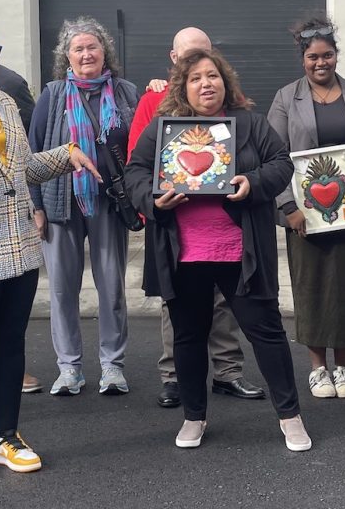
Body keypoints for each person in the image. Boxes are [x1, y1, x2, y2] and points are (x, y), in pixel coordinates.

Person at [125, 48, 311, 451]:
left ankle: (290, 416)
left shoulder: (250, 124)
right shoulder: (162, 128)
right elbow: (134, 172)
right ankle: (194, 417)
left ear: (225, 82)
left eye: (212, 76)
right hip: (184, 252)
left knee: (266, 333)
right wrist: (152, 199)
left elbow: (281, 162)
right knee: (188, 337)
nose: (205, 84)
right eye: (195, 78)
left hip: (239, 251)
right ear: (183, 87)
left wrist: (253, 182)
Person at [0, 21, 100, 479]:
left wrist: (67, 155)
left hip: (19, 245)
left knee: (8, 347)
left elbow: (22, 169)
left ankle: (4, 438)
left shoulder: (4, 103)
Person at [127, 27, 262, 408]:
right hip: (176, 223)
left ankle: (227, 372)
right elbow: (136, 162)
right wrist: (153, 205)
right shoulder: (153, 101)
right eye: (188, 58)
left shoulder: (230, 100)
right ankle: (174, 377)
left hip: (226, 223)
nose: (199, 68)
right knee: (178, 304)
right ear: (174, 60)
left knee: (225, 302)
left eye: (204, 56)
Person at [268, 15, 345, 399]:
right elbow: (274, 157)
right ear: (302, 58)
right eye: (313, 57)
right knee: (312, 287)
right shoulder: (287, 99)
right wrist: (288, 206)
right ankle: (318, 369)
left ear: (337, 55)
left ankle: (344, 368)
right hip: (306, 215)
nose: (322, 63)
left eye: (328, 55)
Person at [28, 17, 138, 396]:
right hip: (60, 203)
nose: (87, 53)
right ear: (67, 56)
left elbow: (140, 145)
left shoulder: (125, 92)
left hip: (109, 203)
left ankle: (112, 365)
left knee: (112, 288)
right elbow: (34, 150)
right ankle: (69, 367)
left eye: (93, 46)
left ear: (104, 51)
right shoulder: (53, 94)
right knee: (62, 289)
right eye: (79, 48)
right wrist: (36, 206)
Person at [0, 64, 42, 394]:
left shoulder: (7, 92)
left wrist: (66, 155)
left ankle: (3, 436)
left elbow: (25, 159)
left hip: (7, 235)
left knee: (4, 335)